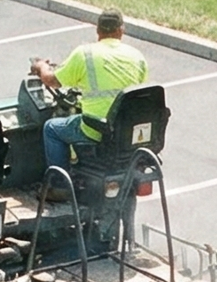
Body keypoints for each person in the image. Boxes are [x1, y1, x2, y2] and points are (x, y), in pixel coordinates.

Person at [31, 9, 149, 172]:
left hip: (97, 130)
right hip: (128, 132)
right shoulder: (138, 57)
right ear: (121, 30)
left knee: (51, 128)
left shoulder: (84, 54)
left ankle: (58, 186)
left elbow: (52, 80)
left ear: (98, 30)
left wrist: (41, 66)